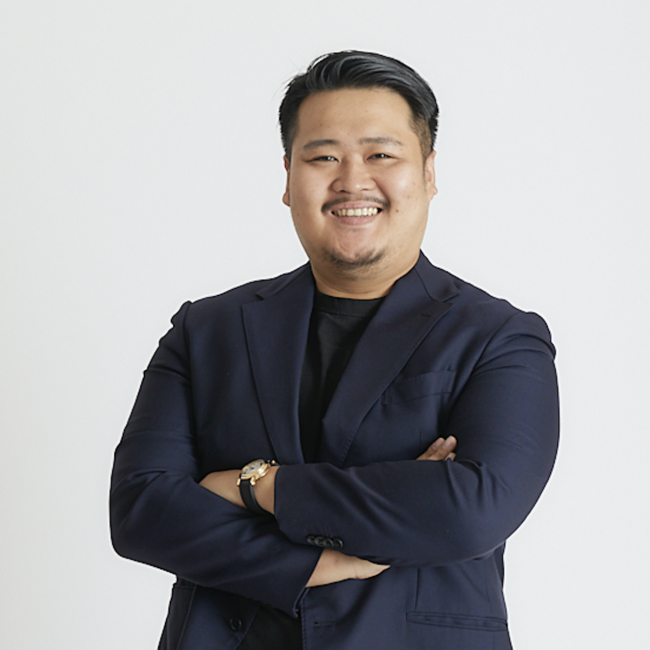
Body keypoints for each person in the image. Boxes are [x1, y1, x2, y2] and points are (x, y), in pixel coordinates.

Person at [110, 50, 559, 650]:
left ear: (428, 173)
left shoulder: (500, 337)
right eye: (323, 157)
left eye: (381, 155)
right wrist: (319, 560)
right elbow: (140, 511)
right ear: (288, 177)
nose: (352, 180)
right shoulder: (207, 329)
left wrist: (256, 486)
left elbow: (470, 511)